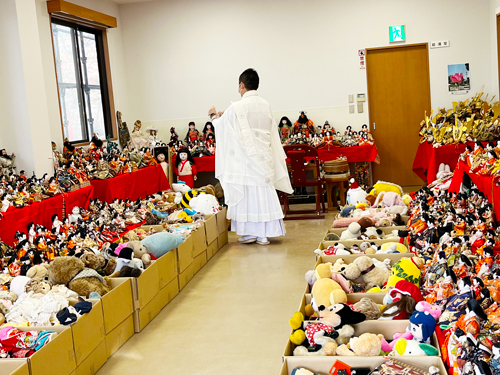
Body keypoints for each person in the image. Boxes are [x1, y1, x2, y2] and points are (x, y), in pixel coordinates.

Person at [208, 68, 292, 245]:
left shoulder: (237, 106)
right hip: (264, 156)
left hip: (246, 160)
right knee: (262, 193)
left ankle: (250, 232)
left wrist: (213, 116)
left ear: (242, 85)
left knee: (248, 194)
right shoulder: (265, 104)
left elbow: (221, 126)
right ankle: (263, 234)